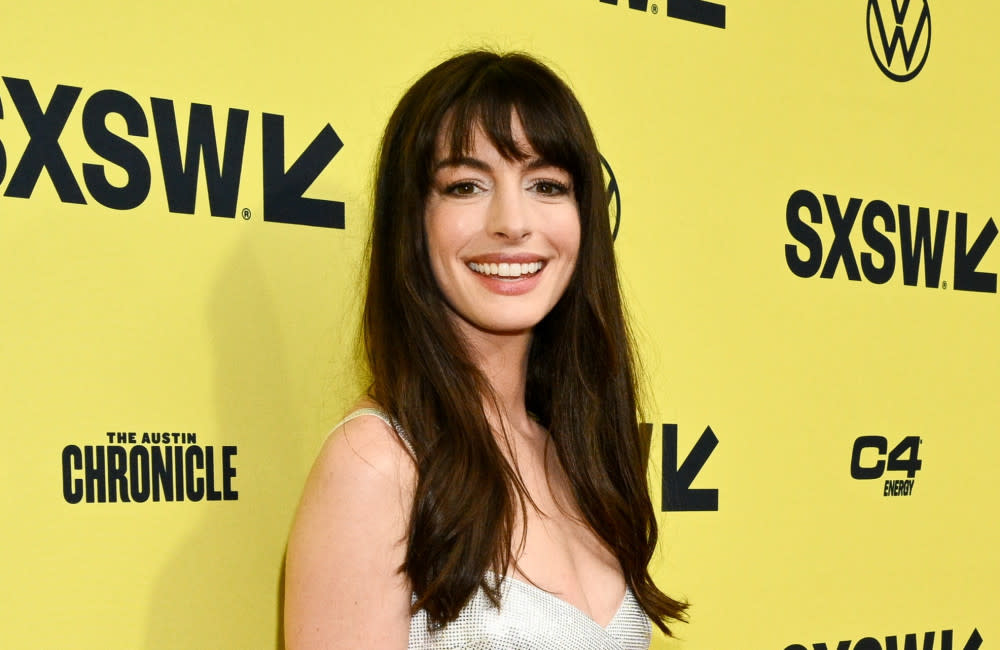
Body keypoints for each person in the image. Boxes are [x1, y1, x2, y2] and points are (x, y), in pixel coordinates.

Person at [284, 50, 686, 649]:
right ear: (413, 222)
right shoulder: (376, 464)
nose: (512, 222)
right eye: (466, 185)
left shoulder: (575, 451)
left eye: (547, 185)